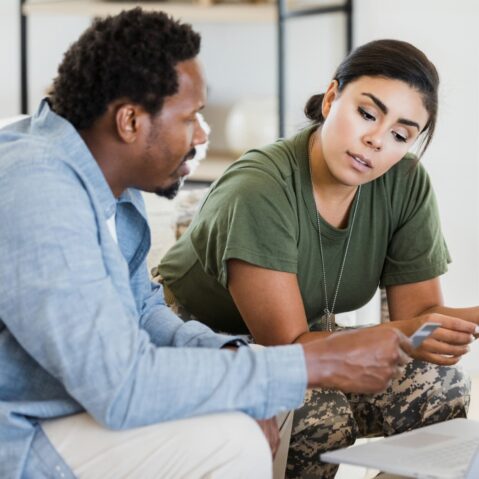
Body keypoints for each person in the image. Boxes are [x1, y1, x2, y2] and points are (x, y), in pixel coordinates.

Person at [0, 9, 415, 479]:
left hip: (75, 400)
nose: (201, 135)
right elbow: (120, 386)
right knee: (230, 440)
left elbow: (141, 311)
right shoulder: (38, 191)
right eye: (190, 117)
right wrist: (298, 366)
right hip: (22, 429)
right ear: (130, 122)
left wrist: (235, 360)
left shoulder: (109, 183)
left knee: (267, 387)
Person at [158, 38, 479, 478]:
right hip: (202, 349)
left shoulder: (405, 184)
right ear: (332, 98)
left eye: (400, 135)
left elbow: (419, 319)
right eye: (367, 113)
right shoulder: (259, 189)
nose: (375, 141)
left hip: (305, 340)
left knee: (439, 385)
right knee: (316, 412)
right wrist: (402, 331)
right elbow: (285, 348)